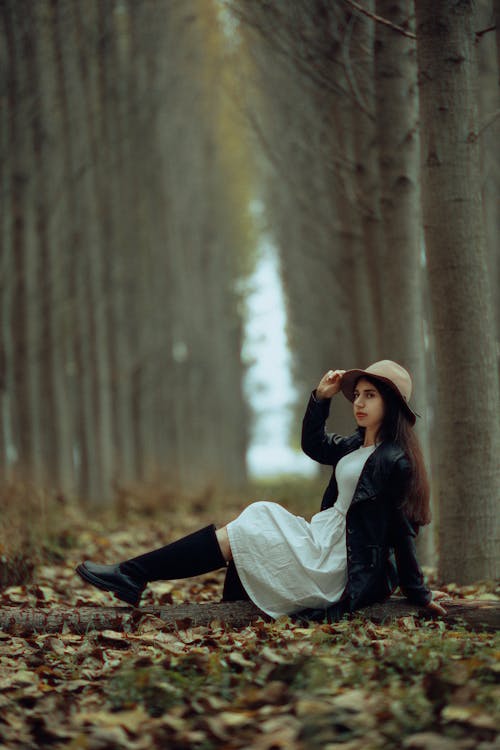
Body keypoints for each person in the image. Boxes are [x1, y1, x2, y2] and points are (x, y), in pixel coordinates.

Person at [76, 360, 446, 620]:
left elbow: (400, 530)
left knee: (252, 525)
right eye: (358, 396)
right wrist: (321, 398)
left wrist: (418, 592)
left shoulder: (394, 460)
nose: (360, 403)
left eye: (371, 396)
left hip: (340, 560)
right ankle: (135, 575)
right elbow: (315, 445)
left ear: (391, 404)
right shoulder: (356, 446)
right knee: (253, 521)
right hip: (324, 536)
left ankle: (133, 575)